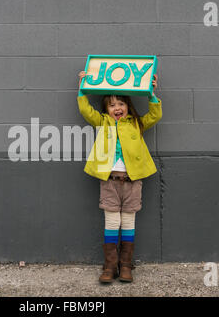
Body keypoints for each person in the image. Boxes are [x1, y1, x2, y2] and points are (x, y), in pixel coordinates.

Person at [77, 71, 162, 283]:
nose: (117, 108)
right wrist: (82, 89)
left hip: (132, 181)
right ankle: (110, 264)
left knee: (128, 221)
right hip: (109, 181)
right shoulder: (102, 122)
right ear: (106, 109)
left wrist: (151, 94)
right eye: (112, 105)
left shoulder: (136, 124)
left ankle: (126, 264)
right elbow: (86, 110)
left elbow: (155, 115)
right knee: (112, 221)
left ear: (128, 107)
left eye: (121, 104)